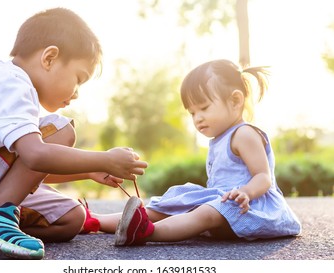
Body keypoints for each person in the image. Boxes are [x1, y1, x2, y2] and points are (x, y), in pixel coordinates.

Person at [0, 8, 147, 259]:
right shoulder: (9, 81)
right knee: (60, 130)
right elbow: (35, 156)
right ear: (49, 58)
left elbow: (22, 171)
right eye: (78, 78)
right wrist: (105, 159)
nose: (76, 93)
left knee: (71, 219)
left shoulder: (12, 90)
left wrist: (89, 171)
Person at [86, 59, 302, 245]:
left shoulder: (244, 134)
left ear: (235, 101)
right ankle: (94, 221)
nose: (197, 118)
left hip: (250, 206)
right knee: (169, 206)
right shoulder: (221, 138)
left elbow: (263, 177)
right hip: (223, 203)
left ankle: (147, 233)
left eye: (204, 108)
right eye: (192, 112)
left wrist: (246, 192)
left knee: (205, 213)